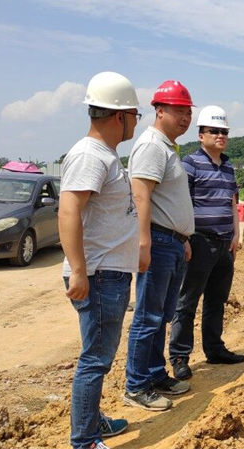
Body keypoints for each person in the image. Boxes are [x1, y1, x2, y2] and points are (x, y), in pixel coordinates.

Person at [59, 71, 141, 449]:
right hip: (99, 274)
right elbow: (68, 210)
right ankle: (85, 440)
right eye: (135, 115)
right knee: (95, 359)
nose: (136, 123)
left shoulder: (105, 155)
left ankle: (92, 421)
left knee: (100, 356)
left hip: (108, 272)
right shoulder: (90, 155)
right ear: (119, 116)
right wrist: (79, 270)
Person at [124, 80, 195, 412]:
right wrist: (144, 241)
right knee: (148, 316)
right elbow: (140, 195)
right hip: (159, 241)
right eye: (178, 111)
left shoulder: (167, 147)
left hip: (172, 242)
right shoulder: (152, 145)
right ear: (159, 110)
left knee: (161, 315)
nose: (185, 118)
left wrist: (183, 239)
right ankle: (137, 385)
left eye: (187, 112)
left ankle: (154, 374)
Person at [168, 105, 244, 382]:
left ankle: (214, 349)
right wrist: (185, 239)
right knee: (187, 302)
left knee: (217, 300)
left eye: (224, 131)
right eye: (214, 131)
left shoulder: (228, 166)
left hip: (225, 244)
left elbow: (232, 203)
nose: (220, 136)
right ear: (201, 135)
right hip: (200, 242)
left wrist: (236, 236)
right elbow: (181, 203)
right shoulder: (189, 164)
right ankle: (179, 357)